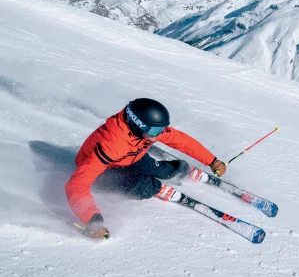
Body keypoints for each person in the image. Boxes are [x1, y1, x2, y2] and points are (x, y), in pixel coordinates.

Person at [64, 98, 227, 239]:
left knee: (163, 171)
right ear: (137, 124)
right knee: (143, 186)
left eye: (161, 130)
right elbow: (77, 184)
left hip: (131, 156)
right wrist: (93, 221)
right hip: (104, 171)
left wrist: (211, 161)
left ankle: (178, 169)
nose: (158, 136)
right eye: (154, 131)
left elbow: (181, 140)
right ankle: (154, 188)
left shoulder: (148, 128)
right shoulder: (111, 145)